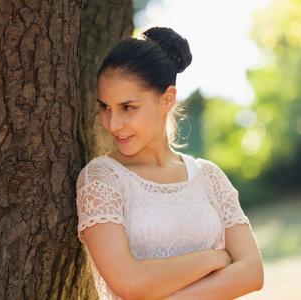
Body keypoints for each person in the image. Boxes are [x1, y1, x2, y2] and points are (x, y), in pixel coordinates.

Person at [76, 27, 264, 300]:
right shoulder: (101, 179)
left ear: (167, 99)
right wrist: (211, 259)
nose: (113, 124)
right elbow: (129, 282)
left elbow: (252, 273)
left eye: (127, 107)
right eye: (105, 107)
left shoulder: (208, 176)